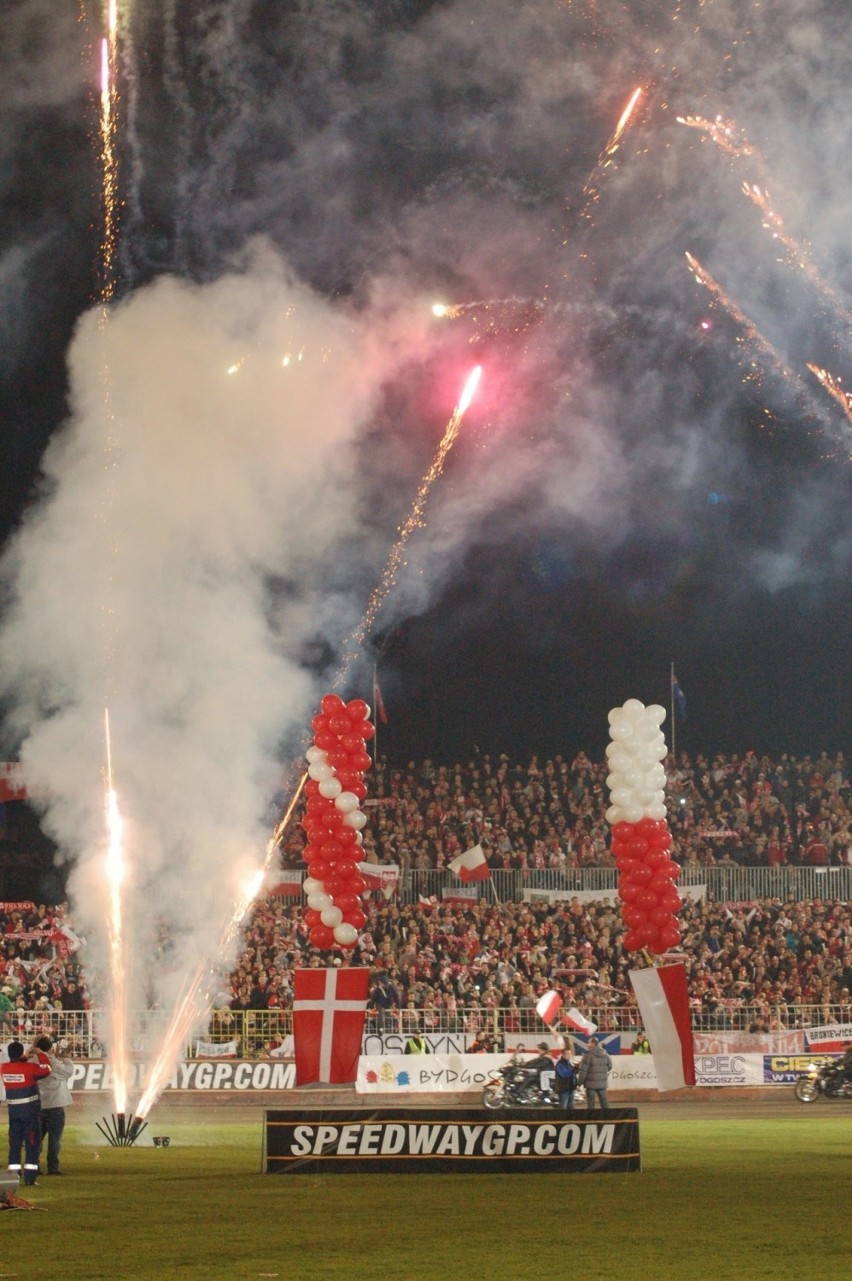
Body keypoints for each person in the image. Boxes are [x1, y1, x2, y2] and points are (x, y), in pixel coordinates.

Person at [0, 1041, 51, 1186]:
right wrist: (40, 1053)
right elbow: (47, 1069)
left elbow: (17, 1066)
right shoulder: (30, 1068)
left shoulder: (4, 1068)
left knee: (14, 1144)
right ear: (21, 1053)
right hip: (30, 1113)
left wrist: (24, 1057)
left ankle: (13, 1176)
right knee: (32, 1144)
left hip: (14, 1113)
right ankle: (30, 1178)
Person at [34, 1035, 74, 1175]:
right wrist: (67, 1058)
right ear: (50, 1047)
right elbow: (68, 1072)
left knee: (36, 1139)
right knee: (55, 1140)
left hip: (37, 1105)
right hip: (55, 1105)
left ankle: (34, 1166)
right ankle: (53, 1168)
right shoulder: (52, 1062)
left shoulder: (32, 1060)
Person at [577, 1036, 612, 1113]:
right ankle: (609, 1119)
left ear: (593, 1043)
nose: (587, 1044)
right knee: (604, 1104)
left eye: (589, 1042)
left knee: (591, 1105)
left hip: (590, 1084)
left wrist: (579, 1082)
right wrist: (602, 1073)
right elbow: (610, 1066)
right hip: (602, 1084)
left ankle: (591, 1121)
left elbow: (583, 1071)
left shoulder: (588, 1054)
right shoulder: (605, 1054)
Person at [554, 1046, 577, 1111]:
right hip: (563, 1089)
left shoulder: (569, 1063)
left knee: (571, 1108)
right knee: (563, 1107)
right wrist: (573, 1069)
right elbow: (564, 1074)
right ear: (563, 1055)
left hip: (570, 1088)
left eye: (570, 1053)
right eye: (567, 1053)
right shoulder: (560, 1064)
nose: (569, 1055)